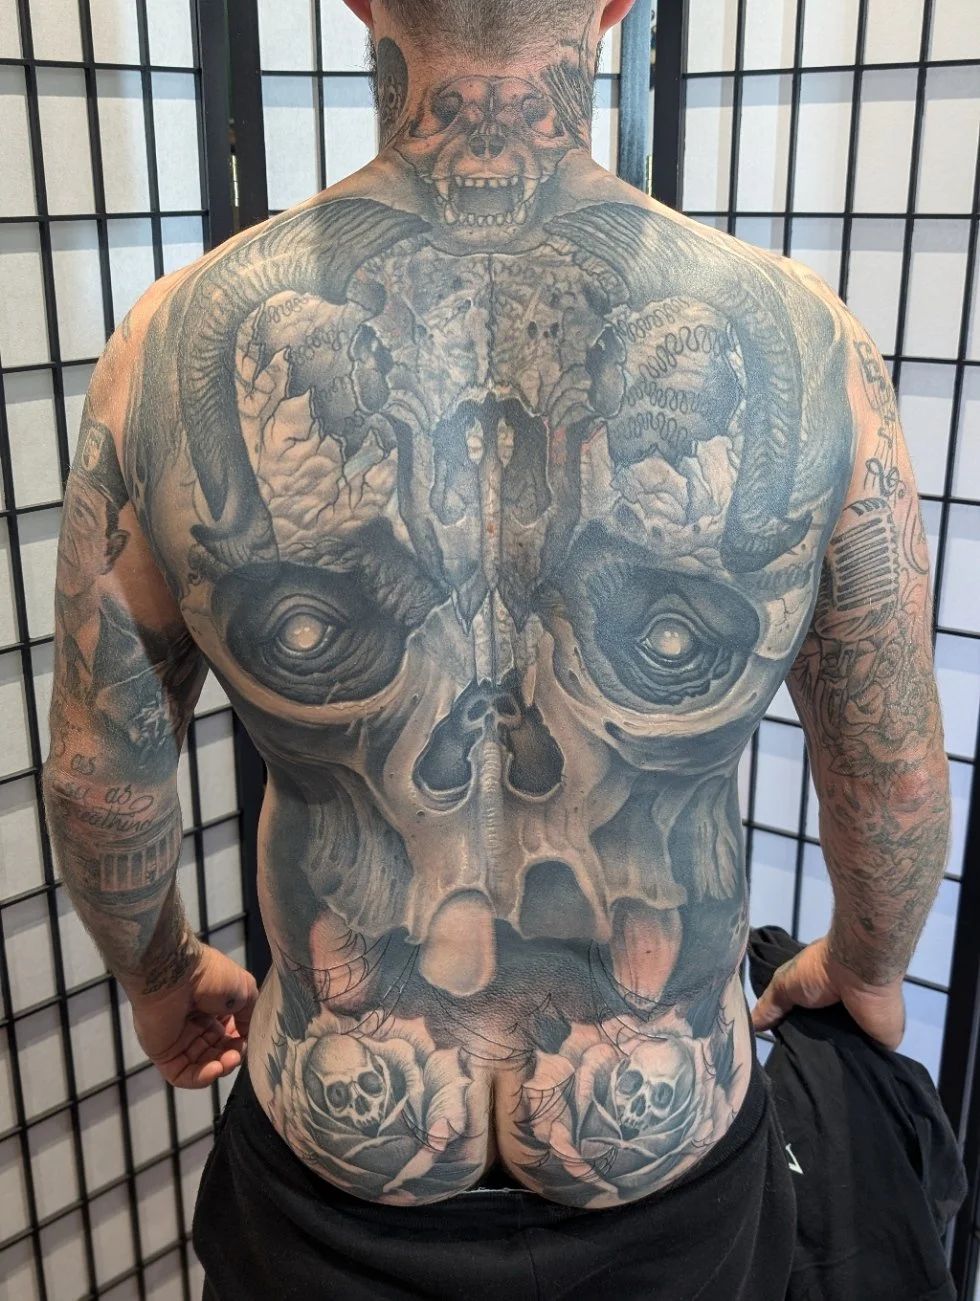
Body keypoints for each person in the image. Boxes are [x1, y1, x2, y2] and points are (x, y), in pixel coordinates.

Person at [42, 1, 951, 1296]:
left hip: (339, 1152)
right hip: (662, 1149)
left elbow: (98, 779)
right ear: (620, 1)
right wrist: (866, 964)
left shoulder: (173, 342)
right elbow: (894, 771)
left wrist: (160, 976)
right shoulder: (806, 345)